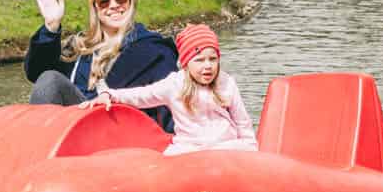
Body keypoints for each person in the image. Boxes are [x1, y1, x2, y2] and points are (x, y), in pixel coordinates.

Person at [25, 0, 179, 132]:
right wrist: (51, 27)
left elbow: (171, 101)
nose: (114, 5)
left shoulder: (153, 50)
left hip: (122, 132)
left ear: (131, 2)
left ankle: (37, 147)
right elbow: (38, 74)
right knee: (49, 80)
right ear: (95, 9)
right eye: (104, 1)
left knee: (51, 80)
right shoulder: (80, 47)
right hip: (77, 124)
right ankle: (37, 145)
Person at [82, 24, 257, 155]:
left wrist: (251, 148)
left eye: (213, 59)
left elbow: (242, 121)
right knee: (166, 160)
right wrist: (110, 94)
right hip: (189, 147)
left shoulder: (226, 83)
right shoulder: (174, 85)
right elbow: (142, 96)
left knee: (241, 149)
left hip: (224, 145)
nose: (207, 66)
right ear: (186, 63)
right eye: (199, 60)